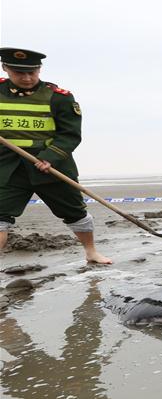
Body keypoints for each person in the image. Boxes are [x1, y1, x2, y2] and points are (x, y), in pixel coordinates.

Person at [0, 47, 111, 263]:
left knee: (75, 212)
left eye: (32, 72)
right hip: (7, 168)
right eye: (19, 73)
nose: (27, 78)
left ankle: (91, 252)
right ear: (5, 68)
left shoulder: (59, 98)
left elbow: (70, 134)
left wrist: (50, 157)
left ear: (39, 69)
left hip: (51, 166)